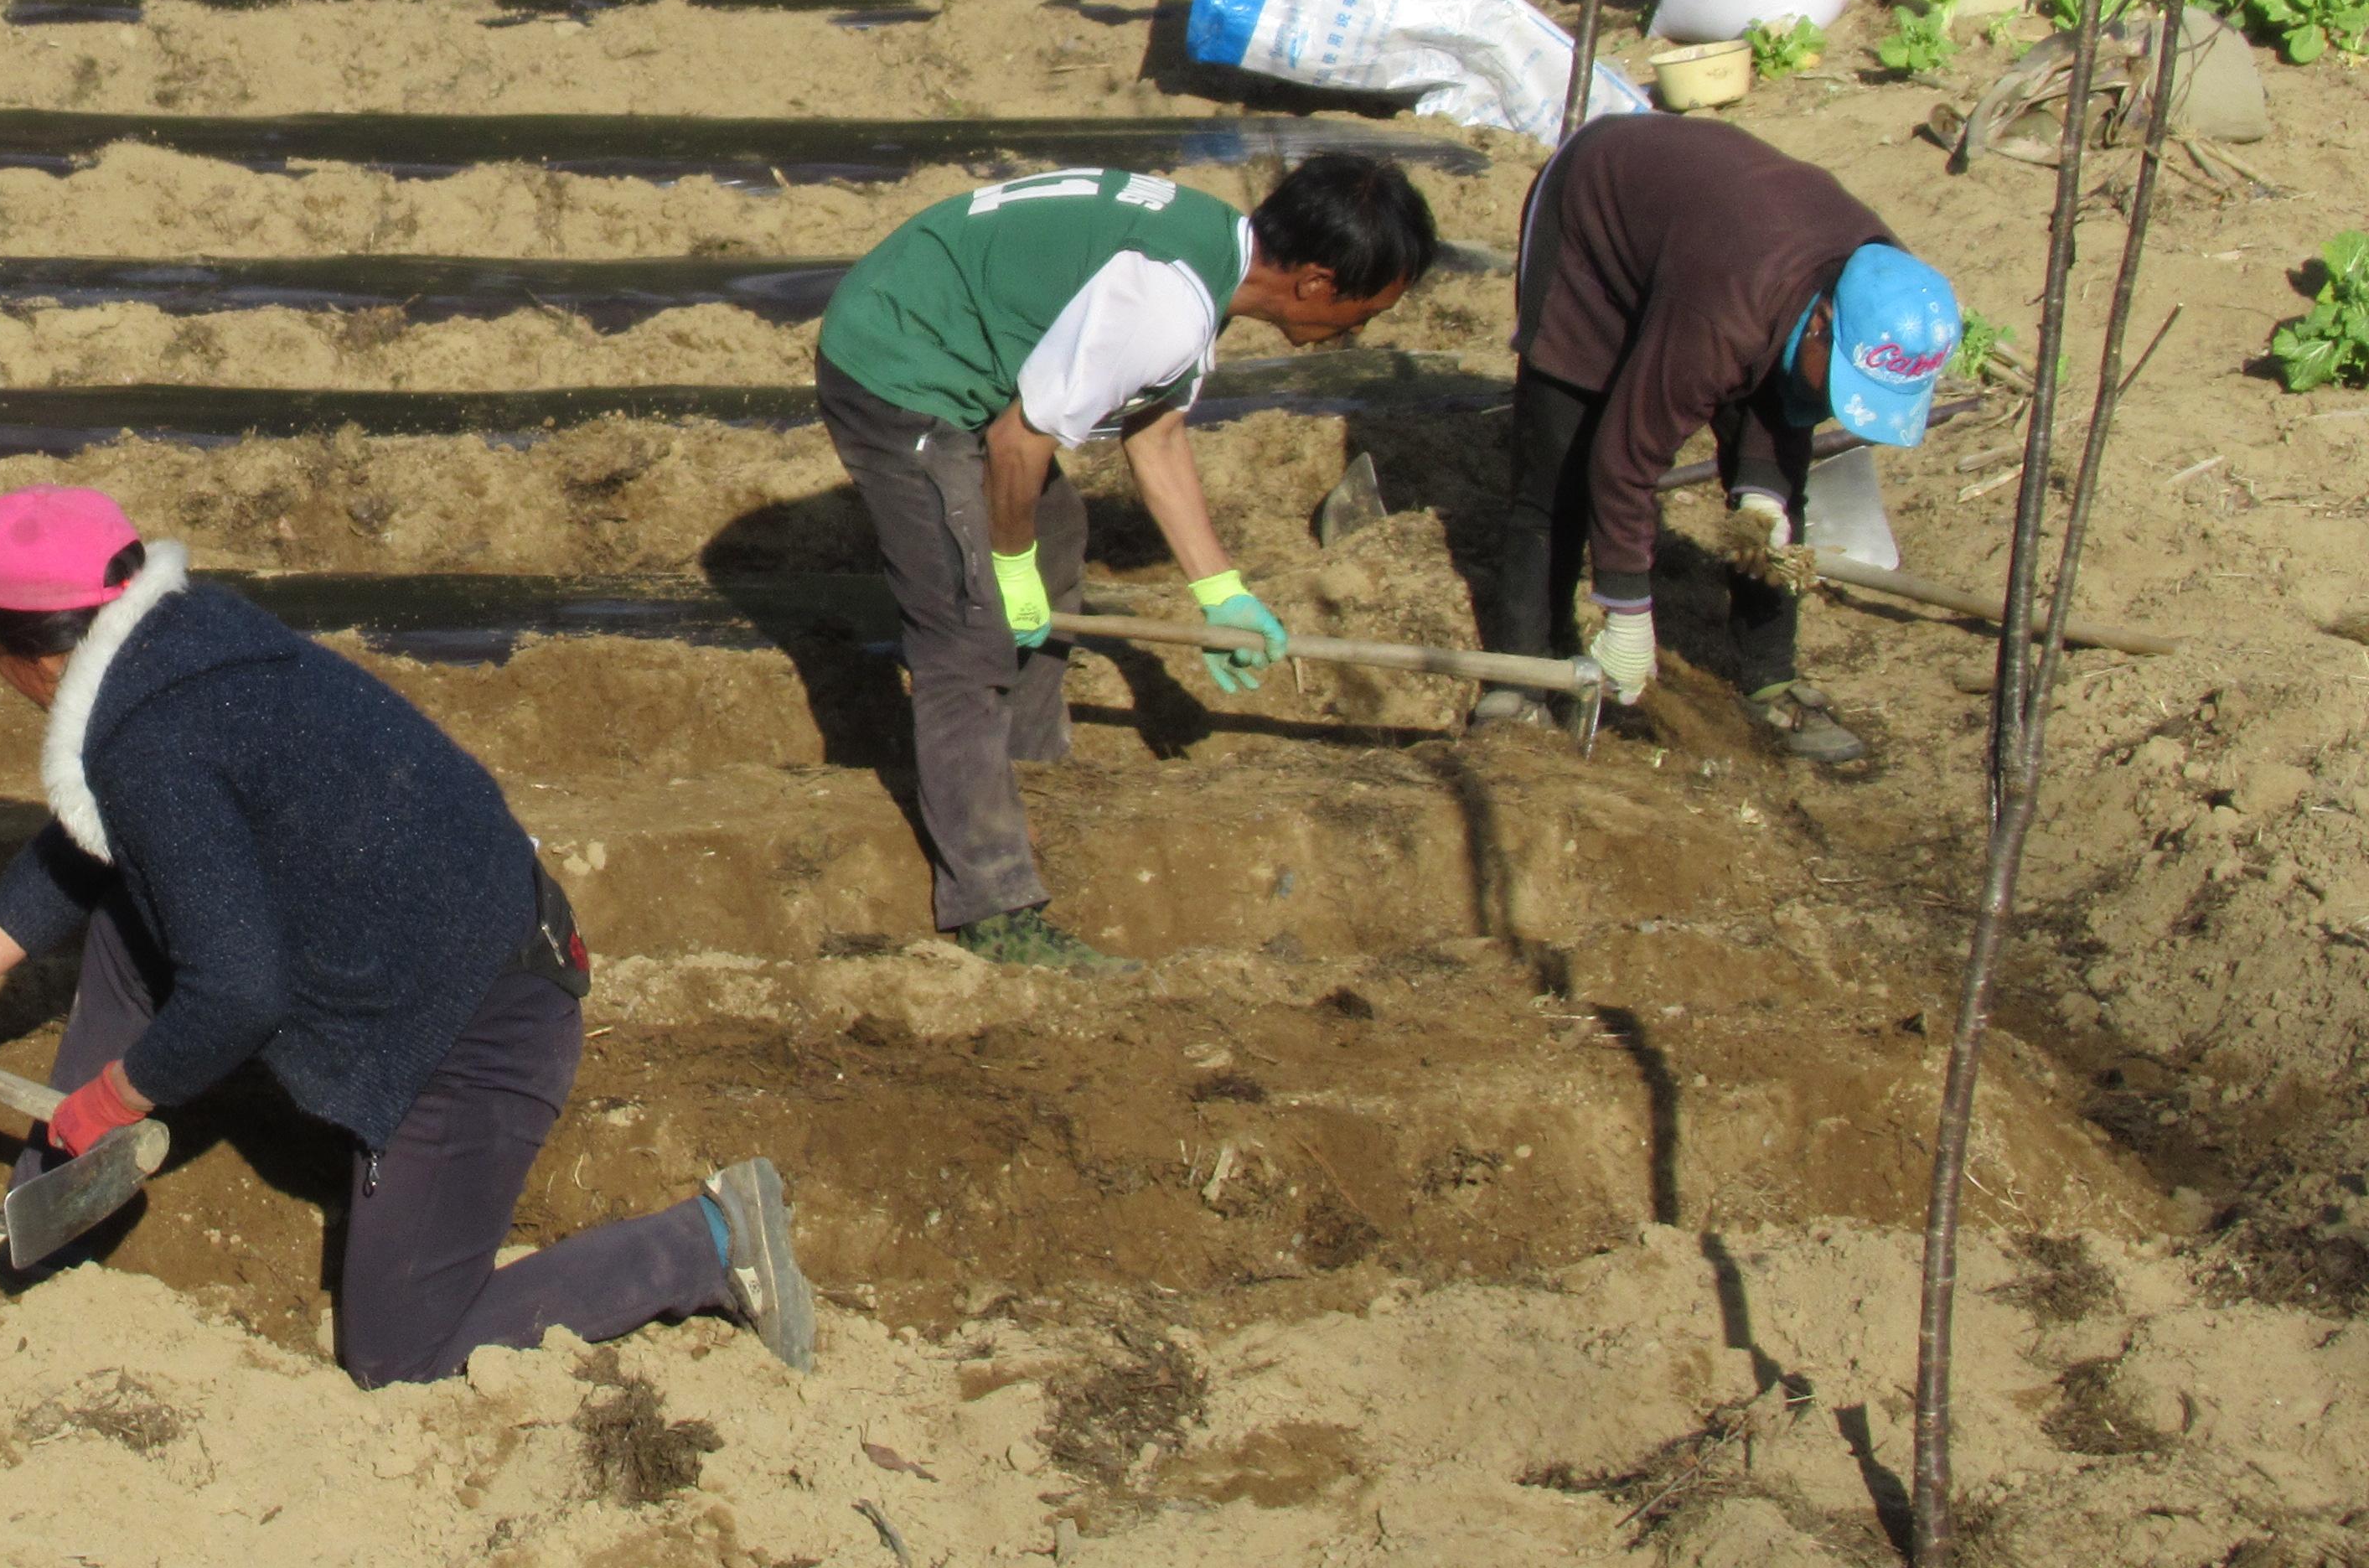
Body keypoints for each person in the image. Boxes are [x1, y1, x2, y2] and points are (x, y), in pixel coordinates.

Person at [0, 487, 815, 1386]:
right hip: (413, 948)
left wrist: (114, 1098)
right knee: (133, 919)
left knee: (405, 1355)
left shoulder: (155, 743)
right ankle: (38, 1226)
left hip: (474, 1022)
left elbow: (239, 995)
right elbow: (97, 842)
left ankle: (711, 1241)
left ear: (39, 654)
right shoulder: (179, 640)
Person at [812, 151, 1441, 970]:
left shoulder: (1212, 257)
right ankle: (993, 909)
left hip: (957, 343)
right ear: (1318, 282)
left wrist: (1223, 593)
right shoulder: (1166, 302)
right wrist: (1007, 568)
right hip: (900, 362)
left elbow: (1158, 431)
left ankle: (1036, 776)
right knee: (969, 632)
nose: (1362, 330)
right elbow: (1015, 440)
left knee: (1060, 532)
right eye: (1368, 309)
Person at [1476, 111, 1958, 765]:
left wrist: (1763, 494)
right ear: (1821, 323)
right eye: (1841, 384)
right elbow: (1626, 458)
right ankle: (1521, 673)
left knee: (1778, 509)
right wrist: (1626, 608)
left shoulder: (1887, 293)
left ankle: (1770, 678)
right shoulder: (1723, 315)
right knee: (1559, 466)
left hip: (1721, 251)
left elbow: (1786, 393)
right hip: (1598, 207)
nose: (1837, 407)